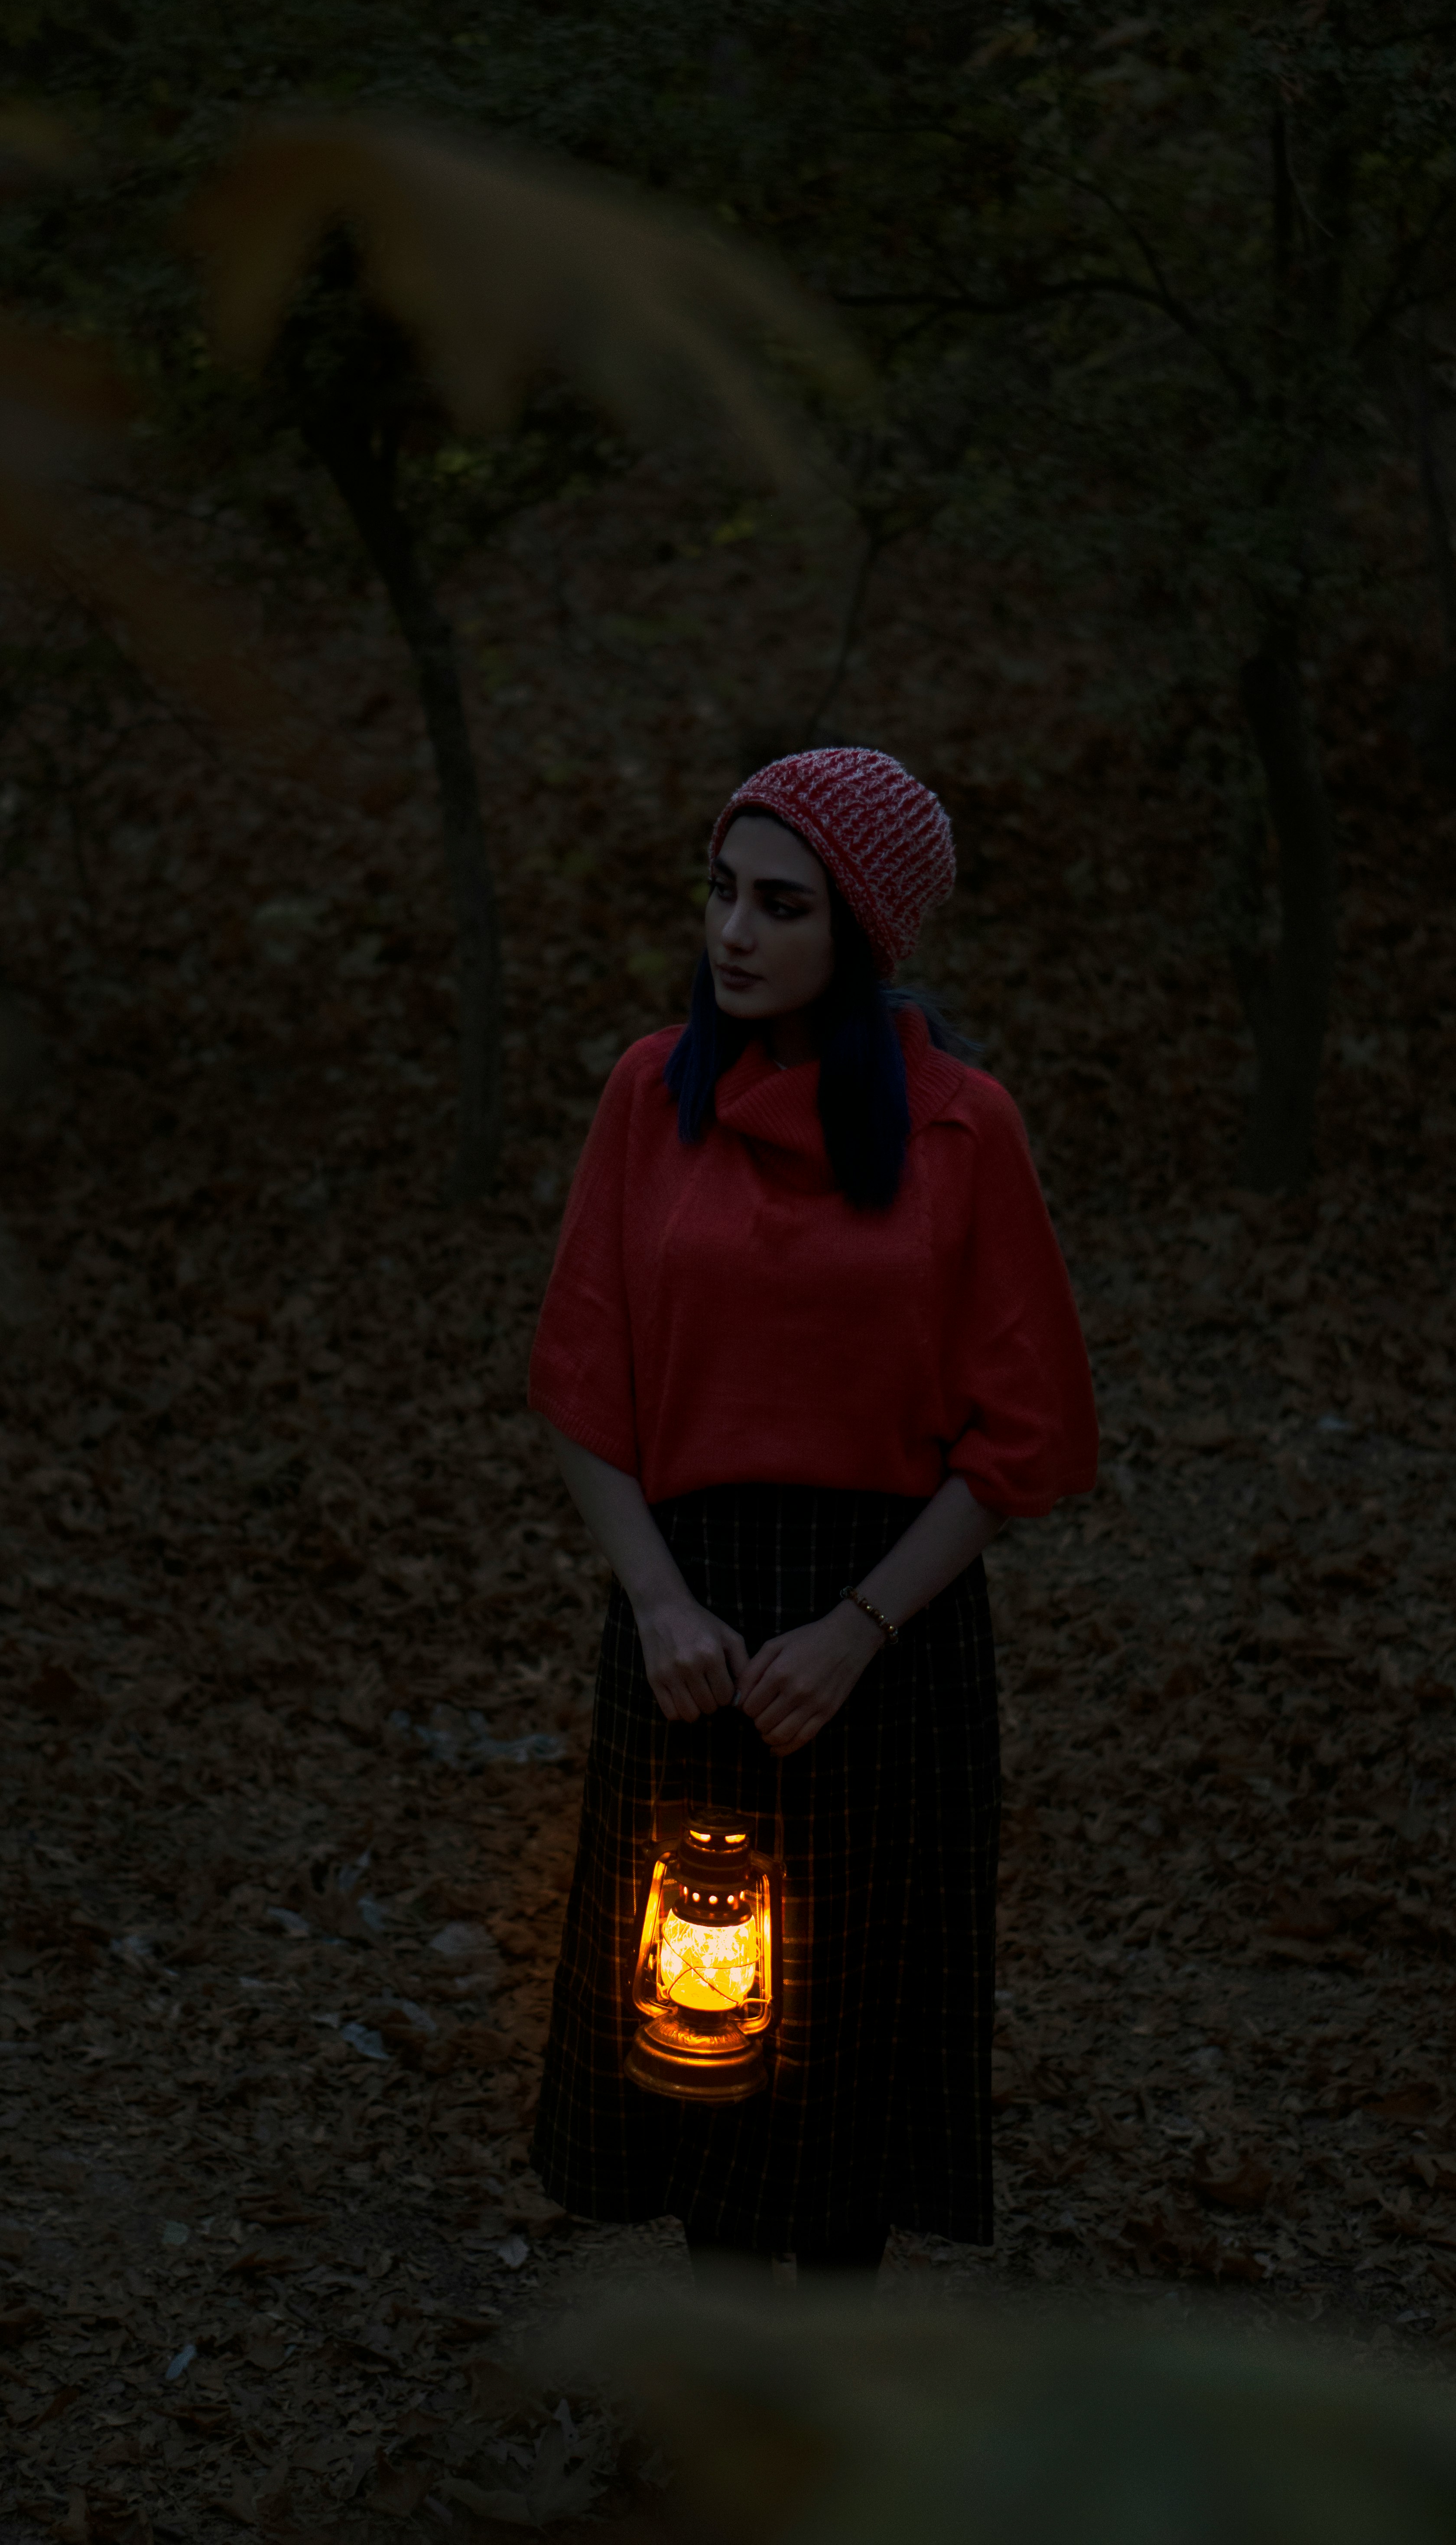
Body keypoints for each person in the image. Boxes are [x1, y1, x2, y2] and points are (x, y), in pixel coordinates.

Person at [525, 746, 1098, 2285]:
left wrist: (857, 1632)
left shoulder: (961, 1129)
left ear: (864, 931)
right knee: (700, 2048)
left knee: (851, 2043)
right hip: (690, 1617)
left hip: (886, 1628)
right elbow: (583, 1383)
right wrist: (657, 1606)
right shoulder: (652, 1096)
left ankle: (835, 2423)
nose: (734, 933)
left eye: (782, 904)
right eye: (722, 892)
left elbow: (1024, 1437)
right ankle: (725, 2414)